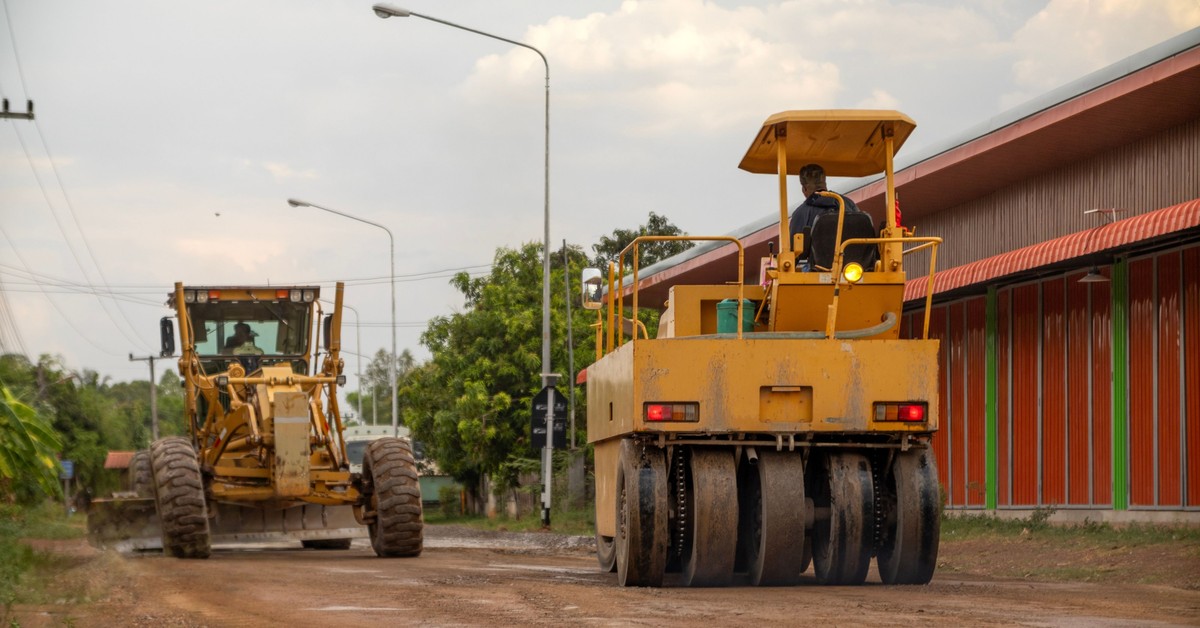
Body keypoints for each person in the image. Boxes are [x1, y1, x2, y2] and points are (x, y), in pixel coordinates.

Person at [787, 163, 864, 269]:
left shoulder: (800, 214)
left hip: (817, 271)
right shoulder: (848, 204)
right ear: (825, 184)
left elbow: (793, 253)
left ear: (804, 189)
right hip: (855, 267)